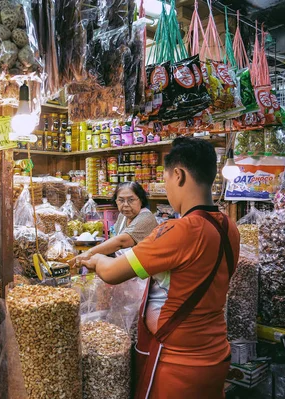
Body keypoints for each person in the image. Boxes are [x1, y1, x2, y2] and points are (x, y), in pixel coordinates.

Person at [80, 137, 240, 399]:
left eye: (165, 181)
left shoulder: (179, 231)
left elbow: (111, 273)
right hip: (216, 353)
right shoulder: (228, 227)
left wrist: (94, 258)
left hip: (178, 362)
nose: (166, 188)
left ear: (178, 175)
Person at [70, 182, 157, 266]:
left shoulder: (146, 218)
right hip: (126, 269)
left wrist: (90, 253)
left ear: (141, 200)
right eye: (121, 200)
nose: (126, 205)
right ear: (116, 201)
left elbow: (121, 241)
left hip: (144, 272)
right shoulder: (122, 216)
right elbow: (114, 241)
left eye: (131, 200)